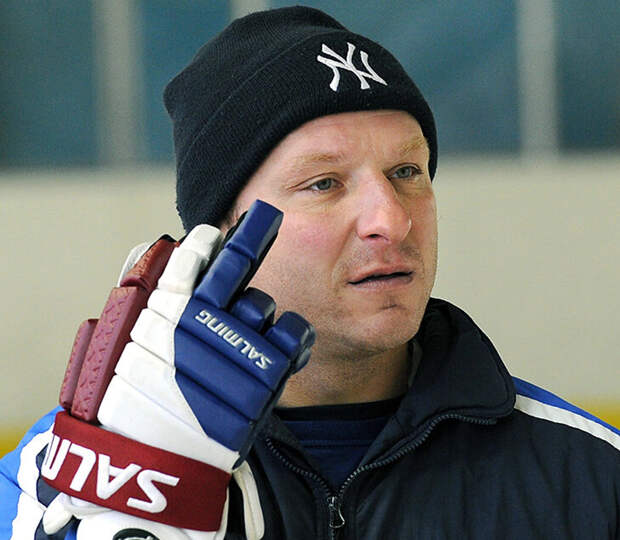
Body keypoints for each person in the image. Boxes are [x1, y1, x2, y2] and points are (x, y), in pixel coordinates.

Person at [1, 6, 619, 539]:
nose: (392, 220)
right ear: (220, 236)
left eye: (407, 172)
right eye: (324, 183)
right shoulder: (58, 475)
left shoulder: (589, 473)